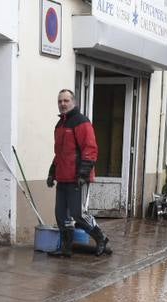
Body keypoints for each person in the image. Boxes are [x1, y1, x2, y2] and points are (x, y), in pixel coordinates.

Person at [45, 89, 111, 258]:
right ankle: (66, 248)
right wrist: (52, 172)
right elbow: (59, 153)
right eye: (60, 101)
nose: (63, 104)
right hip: (63, 177)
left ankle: (101, 237)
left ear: (73, 102)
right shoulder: (60, 125)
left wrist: (83, 173)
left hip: (77, 178)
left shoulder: (81, 122)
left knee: (78, 214)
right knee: (61, 214)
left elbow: (90, 149)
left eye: (66, 100)